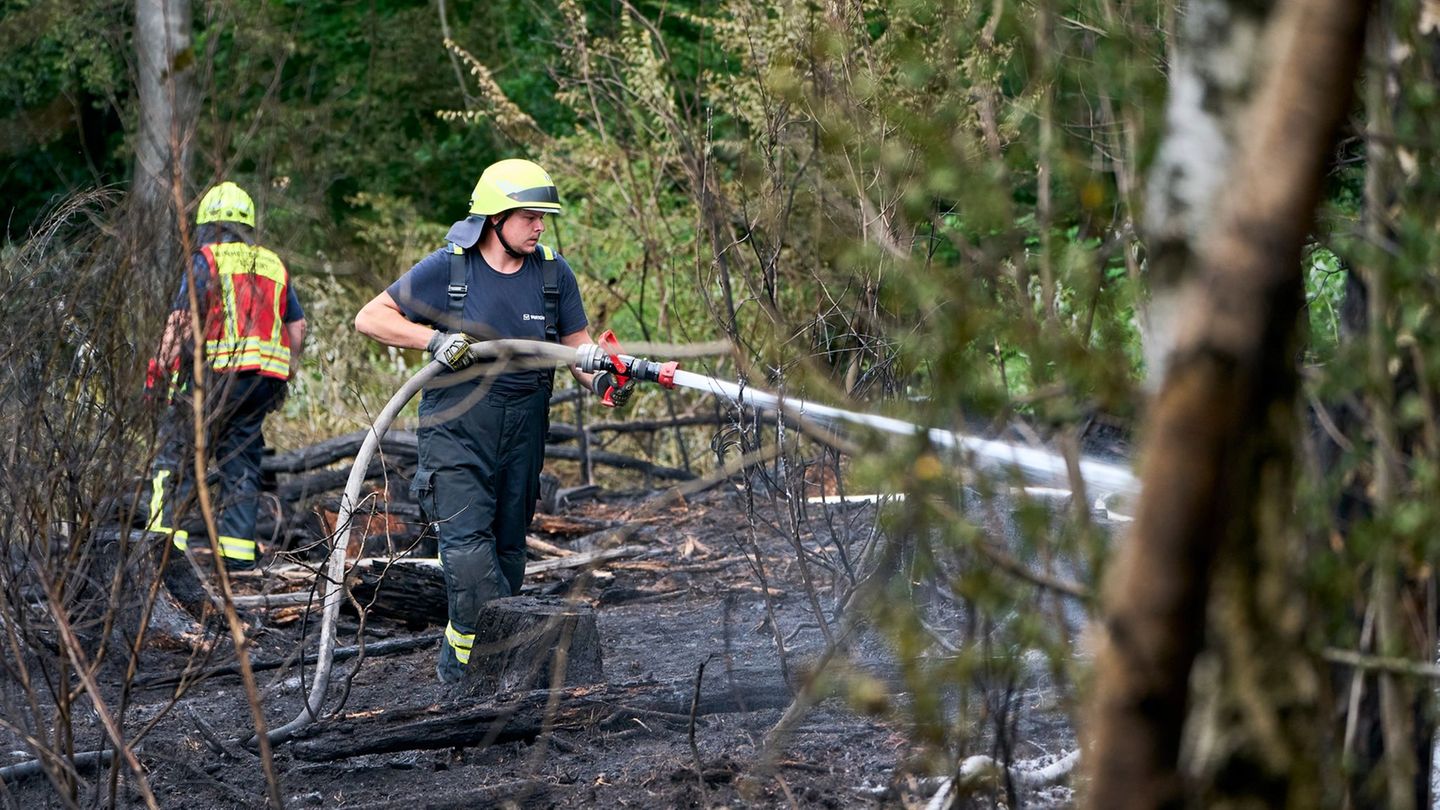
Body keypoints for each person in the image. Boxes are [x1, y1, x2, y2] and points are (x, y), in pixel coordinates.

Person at [354, 158, 632, 683]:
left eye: (543, 217)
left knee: (507, 560)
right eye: (530, 215)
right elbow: (370, 317)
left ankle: (476, 674)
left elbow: (577, 350)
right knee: (468, 560)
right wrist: (433, 339)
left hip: (523, 436)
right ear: (495, 217)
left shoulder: (553, 274)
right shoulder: (449, 271)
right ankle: (471, 683)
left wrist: (603, 378)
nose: (540, 225)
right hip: (456, 436)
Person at [147, 181, 307, 571]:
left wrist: (158, 372)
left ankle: (162, 551)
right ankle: (236, 557)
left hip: (214, 378)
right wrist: (286, 371)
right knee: (241, 463)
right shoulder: (272, 262)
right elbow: (297, 327)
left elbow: (182, 321)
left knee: (178, 456)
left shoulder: (205, 260)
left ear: (206, 224)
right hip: (261, 382)